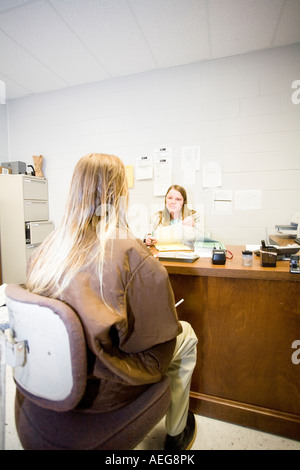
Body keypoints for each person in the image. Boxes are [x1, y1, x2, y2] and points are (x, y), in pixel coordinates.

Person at [26, 153, 198, 451]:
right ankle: (177, 432)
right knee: (187, 335)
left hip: (54, 379)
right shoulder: (131, 252)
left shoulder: (49, 247)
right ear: (119, 194)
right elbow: (157, 334)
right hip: (106, 388)